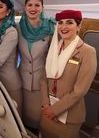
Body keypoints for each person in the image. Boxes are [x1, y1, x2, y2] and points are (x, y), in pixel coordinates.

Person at [40, 10, 97, 138]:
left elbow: (80, 90)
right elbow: (44, 79)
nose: (63, 27)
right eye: (60, 23)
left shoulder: (87, 52)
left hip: (69, 116)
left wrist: (55, 110)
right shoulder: (54, 48)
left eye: (69, 23)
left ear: (79, 26)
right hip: (47, 111)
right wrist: (45, 104)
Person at [17, 0, 55, 131]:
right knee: (23, 119)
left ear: (42, 8)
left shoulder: (51, 28)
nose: (33, 8)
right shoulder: (18, 28)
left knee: (40, 121)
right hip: (22, 80)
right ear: (25, 7)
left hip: (42, 83)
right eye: (30, 5)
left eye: (37, 5)